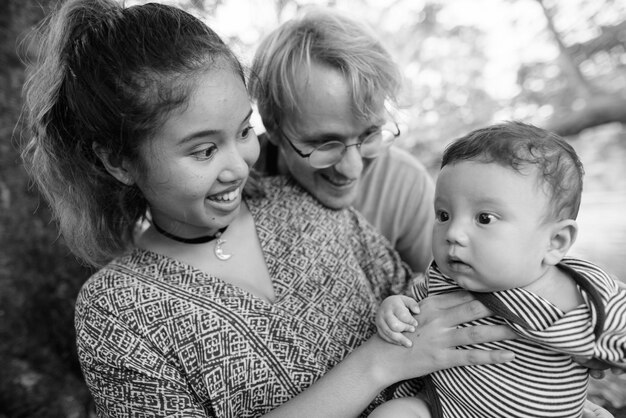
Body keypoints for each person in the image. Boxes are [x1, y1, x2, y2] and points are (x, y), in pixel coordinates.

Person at [20, 1, 518, 416]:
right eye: (203, 150)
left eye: (241, 132)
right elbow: (400, 352)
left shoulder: (305, 206)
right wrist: (378, 363)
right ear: (118, 160)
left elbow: (437, 312)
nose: (239, 166)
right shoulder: (118, 313)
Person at [373, 121, 626, 418]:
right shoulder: (444, 278)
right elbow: (411, 308)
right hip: (448, 408)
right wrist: (394, 309)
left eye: (484, 218)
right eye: (443, 215)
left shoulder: (591, 297)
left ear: (554, 242)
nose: (453, 232)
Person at [249, 8, 435, 273]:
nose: (352, 168)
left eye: (369, 135)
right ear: (273, 126)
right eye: (324, 143)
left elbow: (442, 289)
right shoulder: (237, 181)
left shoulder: (406, 186)